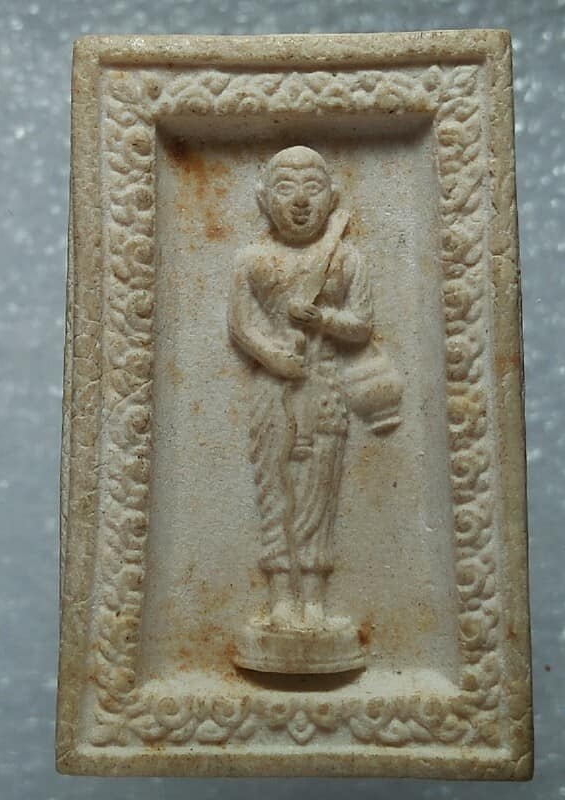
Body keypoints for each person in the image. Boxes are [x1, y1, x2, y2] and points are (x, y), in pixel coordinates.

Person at [228, 146, 373, 631]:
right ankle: (279, 598)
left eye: (312, 188)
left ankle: (313, 600)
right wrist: (272, 356)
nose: (300, 201)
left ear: (332, 198)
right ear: (263, 198)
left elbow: (362, 325)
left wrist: (322, 318)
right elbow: (240, 326)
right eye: (285, 188)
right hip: (273, 390)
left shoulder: (345, 258)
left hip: (325, 385)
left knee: (317, 493)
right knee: (275, 489)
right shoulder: (253, 259)